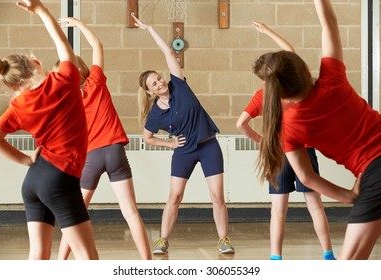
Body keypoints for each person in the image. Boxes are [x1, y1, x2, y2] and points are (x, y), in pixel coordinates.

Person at [254, 0, 381, 260]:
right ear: (305, 69)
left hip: (375, 173)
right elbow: (329, 22)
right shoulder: (332, 78)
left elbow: (308, 177)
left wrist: (347, 195)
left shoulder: (290, 128)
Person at [0, 0, 98, 260]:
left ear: (14, 86)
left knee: (38, 257)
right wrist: (40, 9)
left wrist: (26, 160)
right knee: (89, 259)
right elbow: (63, 45)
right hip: (59, 179)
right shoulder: (65, 80)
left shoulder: (18, 106)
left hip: (35, 180)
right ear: (35, 61)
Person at [132, 13, 234, 255]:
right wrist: (170, 145)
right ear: (150, 92)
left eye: (159, 78)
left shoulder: (179, 84)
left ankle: (224, 239)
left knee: (217, 195)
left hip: (209, 146)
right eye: (154, 84)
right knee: (175, 197)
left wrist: (149, 29)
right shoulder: (155, 115)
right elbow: (147, 137)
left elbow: (168, 53)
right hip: (184, 152)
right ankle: (162, 240)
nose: (159, 83)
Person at [54, 18, 152, 260]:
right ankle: (149, 264)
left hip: (92, 156)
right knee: (130, 212)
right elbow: (98, 46)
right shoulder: (96, 82)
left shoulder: (65, 102)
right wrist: (79, 23)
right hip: (115, 152)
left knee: (74, 214)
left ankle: (58, 264)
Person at [237, 22, 335, 260]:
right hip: (304, 151)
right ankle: (329, 256)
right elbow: (290, 51)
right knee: (315, 207)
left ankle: (275, 258)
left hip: (279, 154)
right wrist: (267, 31)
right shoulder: (293, 89)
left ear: (263, 78)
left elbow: (241, 124)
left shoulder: (262, 95)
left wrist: (262, 140)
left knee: (278, 211)